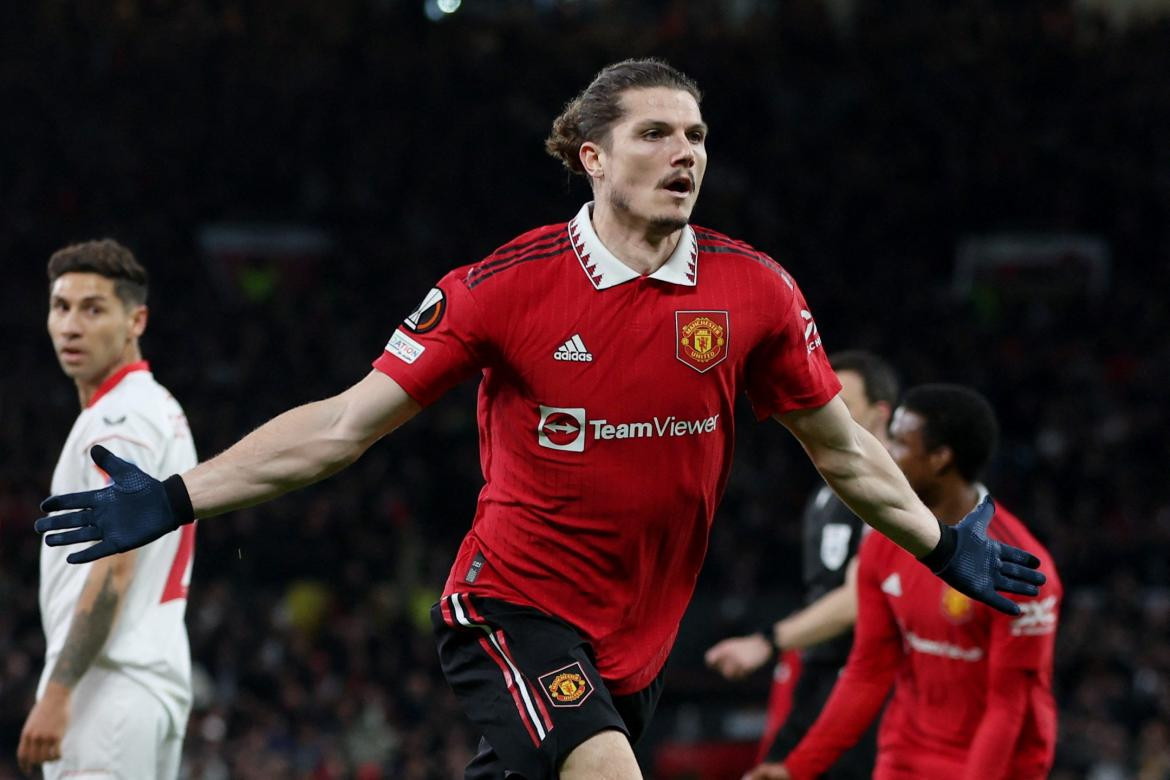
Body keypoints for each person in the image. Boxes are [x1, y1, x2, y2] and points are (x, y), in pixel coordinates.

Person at [35, 60, 1043, 780]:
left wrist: (936, 543)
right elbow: (344, 426)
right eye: (656, 132)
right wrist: (178, 494)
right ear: (592, 156)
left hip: (638, 641)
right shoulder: (501, 290)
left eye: (696, 134)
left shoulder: (756, 293)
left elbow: (845, 453)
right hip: (511, 607)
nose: (684, 150)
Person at [757, 384, 1062, 780]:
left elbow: (1007, 709)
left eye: (899, 442)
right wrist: (797, 770)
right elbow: (868, 672)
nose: (885, 452)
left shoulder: (1017, 569)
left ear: (940, 459)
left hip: (997, 766)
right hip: (905, 757)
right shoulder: (881, 546)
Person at [19, 240, 198, 778]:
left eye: (93, 309)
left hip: (108, 691)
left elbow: (114, 565)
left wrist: (57, 692)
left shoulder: (120, 419)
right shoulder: (156, 407)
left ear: (135, 319)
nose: (71, 325)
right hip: (146, 683)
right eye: (61, 307)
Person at [705, 350, 898, 774]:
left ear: (881, 415)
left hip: (868, 685)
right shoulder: (827, 489)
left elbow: (856, 599)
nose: (827, 413)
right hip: (818, 677)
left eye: (844, 405)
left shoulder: (893, 492)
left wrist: (768, 642)